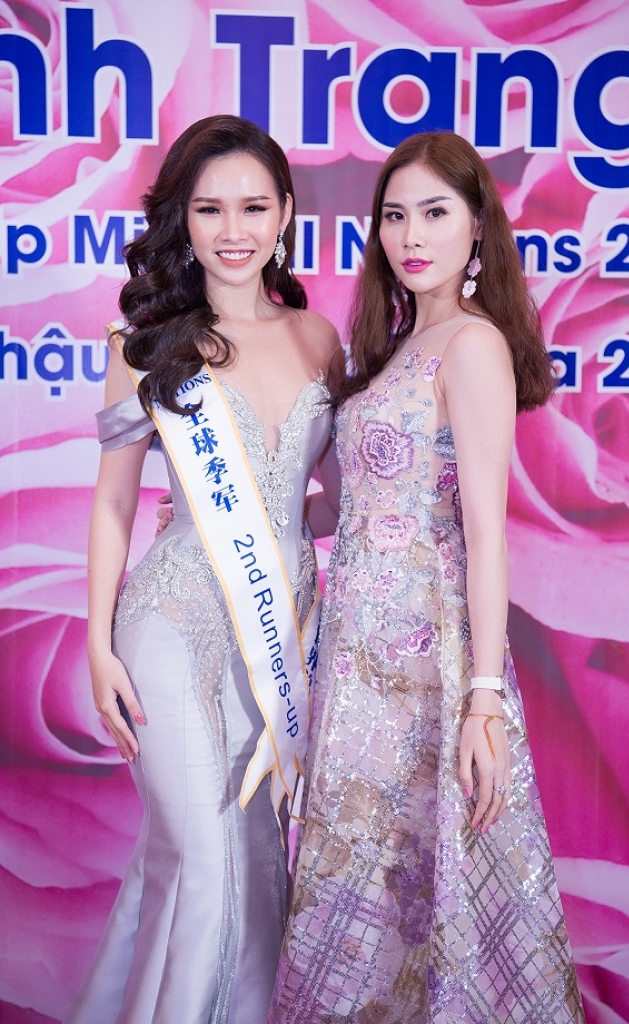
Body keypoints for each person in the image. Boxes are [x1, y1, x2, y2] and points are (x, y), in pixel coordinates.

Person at [267, 132, 585, 1022]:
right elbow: (363, 507)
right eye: (394, 216)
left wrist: (482, 700)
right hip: (357, 663)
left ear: (476, 226)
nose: (411, 236)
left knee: (426, 877)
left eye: (434, 213)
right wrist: (243, 522)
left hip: (426, 663)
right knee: (364, 877)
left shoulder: (472, 345)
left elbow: (484, 534)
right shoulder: (403, 342)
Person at [66, 115, 340, 1024]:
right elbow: (114, 504)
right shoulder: (144, 344)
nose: (233, 230)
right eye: (209, 208)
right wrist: (99, 648)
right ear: (181, 219)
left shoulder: (319, 339)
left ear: (285, 213)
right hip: (170, 625)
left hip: (277, 637)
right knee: (204, 859)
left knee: (253, 858)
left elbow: (332, 504)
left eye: (253, 207)